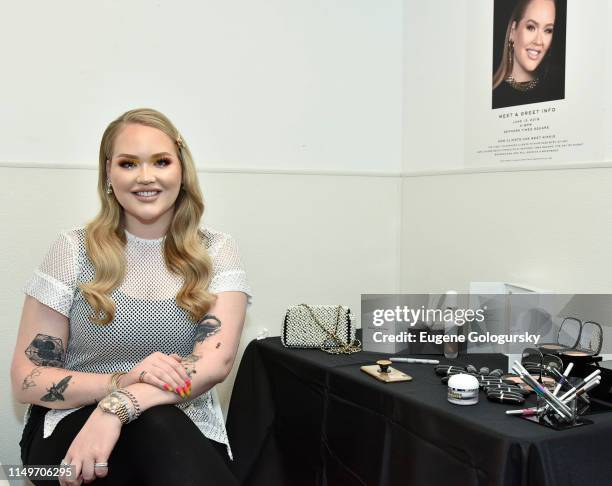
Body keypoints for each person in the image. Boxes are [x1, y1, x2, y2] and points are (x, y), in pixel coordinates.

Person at [11, 108, 252, 485]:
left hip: (180, 429)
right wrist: (121, 381)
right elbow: (27, 378)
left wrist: (118, 407)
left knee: (157, 422)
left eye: (161, 161)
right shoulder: (72, 250)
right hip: (68, 432)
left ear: (182, 169)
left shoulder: (217, 251)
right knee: (154, 429)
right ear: (108, 173)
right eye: (128, 163)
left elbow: (214, 364)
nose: (146, 177)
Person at [492, 0, 564, 109]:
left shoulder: (558, 89)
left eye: (548, 30)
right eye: (531, 27)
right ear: (512, 31)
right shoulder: (492, 96)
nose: (539, 41)